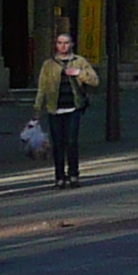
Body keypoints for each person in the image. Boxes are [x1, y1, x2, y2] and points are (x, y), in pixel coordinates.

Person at [32, 31, 98, 188]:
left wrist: (79, 73)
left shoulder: (79, 61)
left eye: (66, 43)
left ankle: (74, 175)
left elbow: (94, 80)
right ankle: (59, 177)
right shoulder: (48, 64)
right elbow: (42, 88)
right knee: (58, 143)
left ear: (72, 44)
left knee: (71, 142)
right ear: (56, 45)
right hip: (54, 109)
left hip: (73, 107)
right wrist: (37, 109)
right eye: (60, 43)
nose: (63, 46)